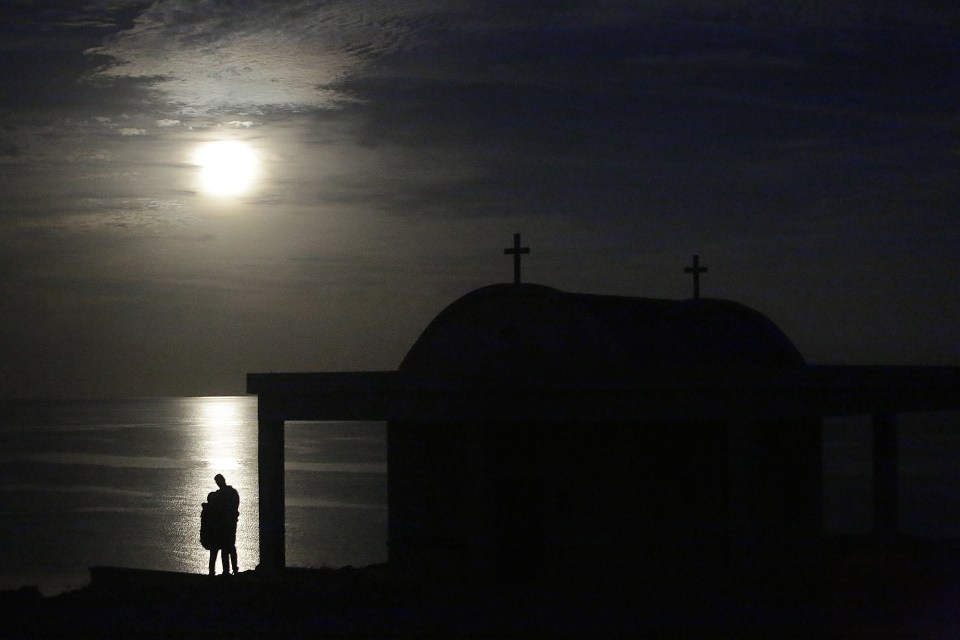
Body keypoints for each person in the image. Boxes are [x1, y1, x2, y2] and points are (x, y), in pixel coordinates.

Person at [206, 474, 240, 576]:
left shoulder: (220, 494)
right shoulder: (233, 493)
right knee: (229, 547)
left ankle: (225, 571)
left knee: (224, 549)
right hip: (229, 525)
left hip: (224, 526)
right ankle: (231, 570)